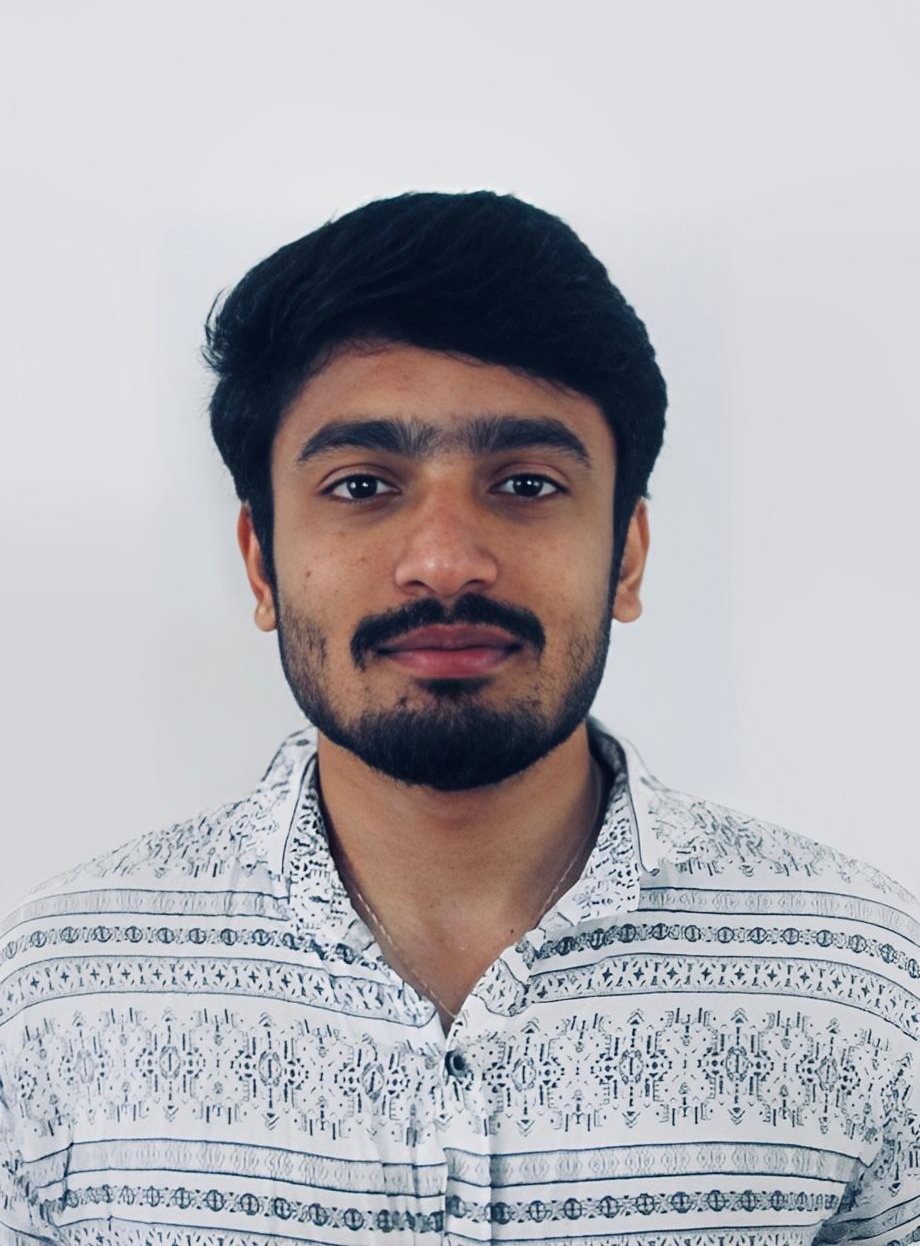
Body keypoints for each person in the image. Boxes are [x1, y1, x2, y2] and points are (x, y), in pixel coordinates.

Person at [0, 191, 917, 1246]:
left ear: (625, 556)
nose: (443, 562)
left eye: (525, 481)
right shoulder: (54, 995)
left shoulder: (864, 981)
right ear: (260, 564)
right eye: (361, 485)